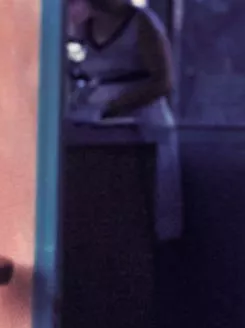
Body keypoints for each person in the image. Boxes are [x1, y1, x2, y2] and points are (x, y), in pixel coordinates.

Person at [68, 0, 182, 240]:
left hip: (144, 124)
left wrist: (115, 107)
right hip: (97, 127)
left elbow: (163, 81)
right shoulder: (82, 24)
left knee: (149, 203)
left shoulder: (142, 23)